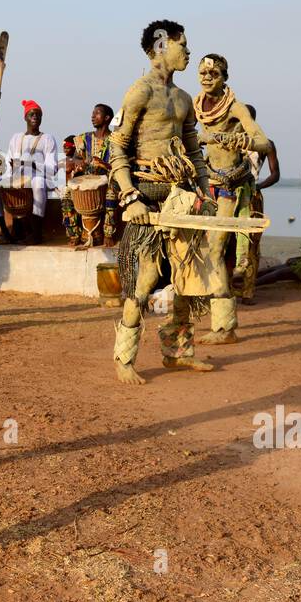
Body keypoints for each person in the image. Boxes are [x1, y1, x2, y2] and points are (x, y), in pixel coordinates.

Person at [110, 21, 221, 384]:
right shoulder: (139, 92)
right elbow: (118, 147)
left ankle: (178, 351)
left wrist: (205, 191)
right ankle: (124, 358)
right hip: (148, 193)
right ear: (161, 46)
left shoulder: (184, 98)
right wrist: (129, 196)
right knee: (144, 280)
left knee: (188, 275)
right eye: (182, 45)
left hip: (183, 194)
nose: (188, 52)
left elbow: (194, 151)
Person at [193, 54, 271, 343]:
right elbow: (185, 132)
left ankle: (224, 325)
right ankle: (222, 322)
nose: (206, 76)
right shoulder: (195, 105)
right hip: (206, 183)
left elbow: (263, 141)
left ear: (224, 76)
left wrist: (243, 141)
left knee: (215, 252)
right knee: (206, 250)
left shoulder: (236, 108)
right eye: (202, 71)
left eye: (213, 72)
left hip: (231, 187)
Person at [0, 100, 58, 245]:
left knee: (37, 182)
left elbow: (52, 169)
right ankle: (5, 232)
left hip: (39, 178)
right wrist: (11, 168)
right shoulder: (16, 138)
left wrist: (28, 164)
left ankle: (36, 234)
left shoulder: (47, 139)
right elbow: (8, 165)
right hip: (16, 178)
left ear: (41, 118)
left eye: (38, 115)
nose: (35, 117)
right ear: (25, 117)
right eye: (31, 114)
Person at [61, 103, 120, 247]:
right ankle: (74, 234)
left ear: (107, 118)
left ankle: (108, 234)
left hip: (109, 179)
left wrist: (105, 165)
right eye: (92, 113)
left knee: (112, 191)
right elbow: (75, 157)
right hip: (87, 179)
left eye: (97, 113)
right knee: (66, 193)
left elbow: (121, 164)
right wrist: (80, 162)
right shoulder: (84, 138)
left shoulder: (115, 141)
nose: (93, 116)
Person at [238, 103, 279, 303]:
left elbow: (275, 174)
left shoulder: (266, 144)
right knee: (225, 240)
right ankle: (227, 288)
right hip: (229, 196)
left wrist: (257, 187)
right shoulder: (231, 142)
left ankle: (248, 291)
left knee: (252, 244)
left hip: (252, 197)